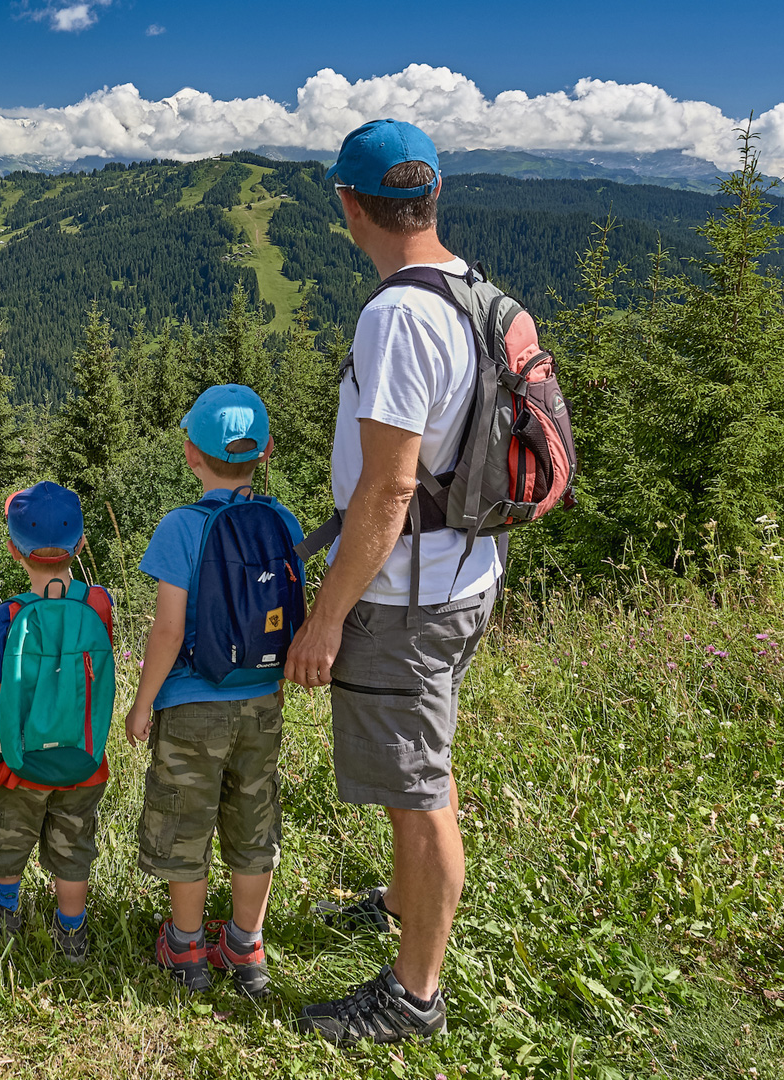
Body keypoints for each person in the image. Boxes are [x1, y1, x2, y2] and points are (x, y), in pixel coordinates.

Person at [283, 120, 504, 1045]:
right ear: (434, 194)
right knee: (422, 766)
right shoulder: (473, 291)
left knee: (420, 793)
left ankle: (414, 997)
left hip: (407, 594)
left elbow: (389, 487)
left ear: (349, 205)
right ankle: (401, 903)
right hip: (465, 573)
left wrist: (327, 617)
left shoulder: (398, 316)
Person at [125, 385, 301, 998]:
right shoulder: (283, 522)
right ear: (266, 451)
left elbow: (168, 630)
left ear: (190, 454)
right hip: (263, 699)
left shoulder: (182, 527)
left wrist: (143, 703)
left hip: (192, 703)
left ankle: (185, 946)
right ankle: (246, 946)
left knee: (186, 821)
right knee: (254, 821)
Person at [0, 482, 113, 963]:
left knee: (9, 837)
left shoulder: (9, 616)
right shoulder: (99, 604)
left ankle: (3, 911)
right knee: (73, 847)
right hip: (84, 757)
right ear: (80, 544)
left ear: (13, 549)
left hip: (19, 762)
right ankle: (72, 932)